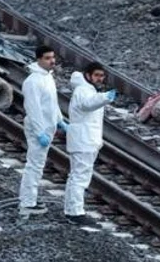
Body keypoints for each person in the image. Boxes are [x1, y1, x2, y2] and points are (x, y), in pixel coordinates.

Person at [63, 62, 117, 224]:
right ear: (88, 75)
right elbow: (88, 105)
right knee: (80, 177)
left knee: (77, 176)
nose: (100, 79)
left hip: (85, 140)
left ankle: (71, 210)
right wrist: (105, 97)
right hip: (83, 140)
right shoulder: (83, 90)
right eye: (97, 75)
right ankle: (75, 213)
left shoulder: (88, 89)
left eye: (102, 76)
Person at [18, 45, 65, 217]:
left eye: (53, 57)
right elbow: (33, 108)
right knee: (34, 165)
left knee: (38, 165)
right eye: (47, 58)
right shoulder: (32, 81)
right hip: (39, 128)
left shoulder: (47, 77)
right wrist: (39, 132)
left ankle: (31, 198)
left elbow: (51, 103)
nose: (52, 61)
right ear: (38, 59)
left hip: (48, 126)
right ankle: (27, 202)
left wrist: (60, 120)